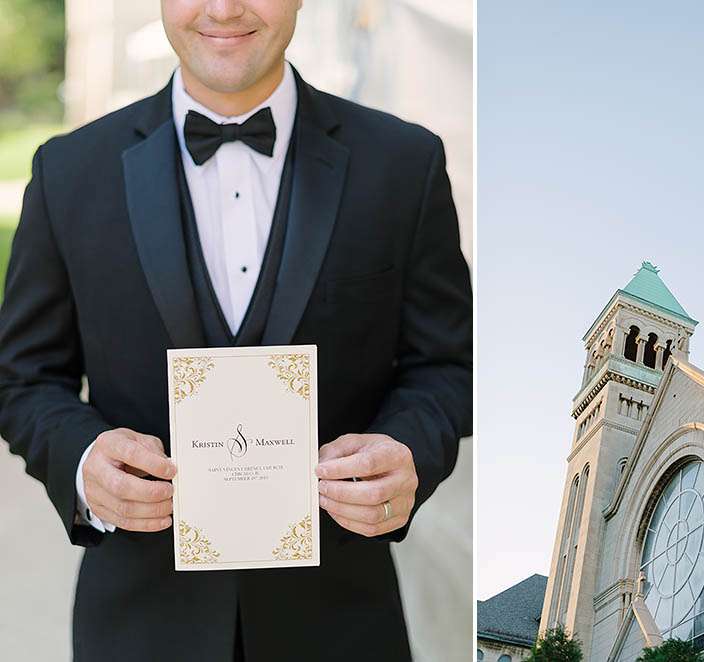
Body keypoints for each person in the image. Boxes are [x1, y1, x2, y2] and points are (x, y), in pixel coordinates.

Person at [0, 1, 472, 660]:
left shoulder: (404, 163)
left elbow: (449, 365)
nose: (224, 9)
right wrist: (81, 461)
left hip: (342, 625)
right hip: (138, 627)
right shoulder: (68, 173)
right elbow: (23, 378)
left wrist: (409, 451)